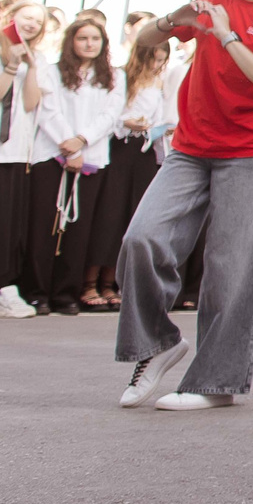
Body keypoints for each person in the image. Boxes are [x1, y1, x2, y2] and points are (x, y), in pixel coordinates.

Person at [113, 0, 253, 411]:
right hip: (192, 145)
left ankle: (215, 385)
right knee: (142, 238)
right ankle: (157, 343)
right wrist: (170, 20)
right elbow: (144, 42)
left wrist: (225, 37)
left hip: (249, 152)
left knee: (231, 270)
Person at [0, 0, 56, 318]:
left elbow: (32, 103)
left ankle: (1, 288)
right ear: (11, 18)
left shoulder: (40, 58)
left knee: (10, 225)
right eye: (27, 17)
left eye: (38, 20)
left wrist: (30, 67)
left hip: (19, 151)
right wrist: (10, 67)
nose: (32, 24)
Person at [36, 15, 127, 315]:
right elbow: (48, 110)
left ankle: (66, 293)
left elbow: (110, 115)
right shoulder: (51, 72)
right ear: (71, 42)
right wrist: (67, 142)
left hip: (92, 158)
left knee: (78, 229)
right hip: (52, 154)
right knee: (46, 227)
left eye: (95, 39)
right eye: (82, 38)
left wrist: (82, 140)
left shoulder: (114, 76)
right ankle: (38, 291)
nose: (89, 44)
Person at [90, 26, 171, 310]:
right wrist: (127, 123)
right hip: (120, 149)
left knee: (132, 217)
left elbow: (161, 118)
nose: (157, 64)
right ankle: (90, 281)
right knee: (108, 215)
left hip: (146, 152)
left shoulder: (161, 84)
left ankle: (113, 281)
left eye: (162, 59)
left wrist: (158, 129)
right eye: (153, 58)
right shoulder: (121, 77)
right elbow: (109, 113)